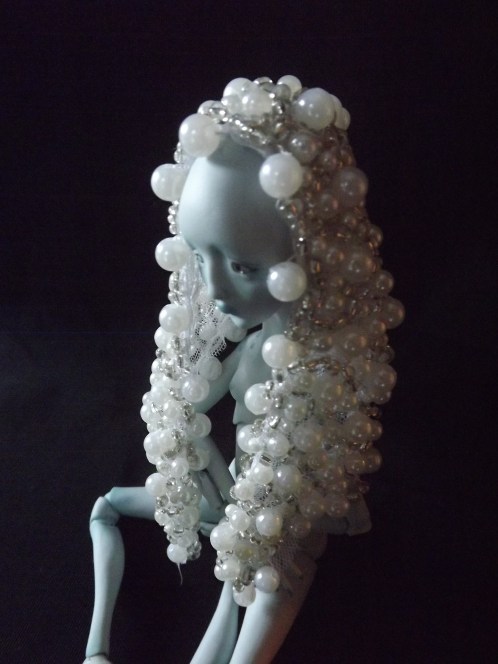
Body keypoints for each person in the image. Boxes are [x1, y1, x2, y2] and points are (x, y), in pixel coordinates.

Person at [84, 75, 403, 664]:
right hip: (236, 496)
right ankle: (96, 648)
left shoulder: (319, 380)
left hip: (284, 522)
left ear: (313, 257)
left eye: (243, 267)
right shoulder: (236, 340)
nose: (213, 289)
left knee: (259, 580)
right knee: (108, 508)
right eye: (198, 254)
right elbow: (193, 403)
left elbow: (289, 496)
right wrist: (186, 429)